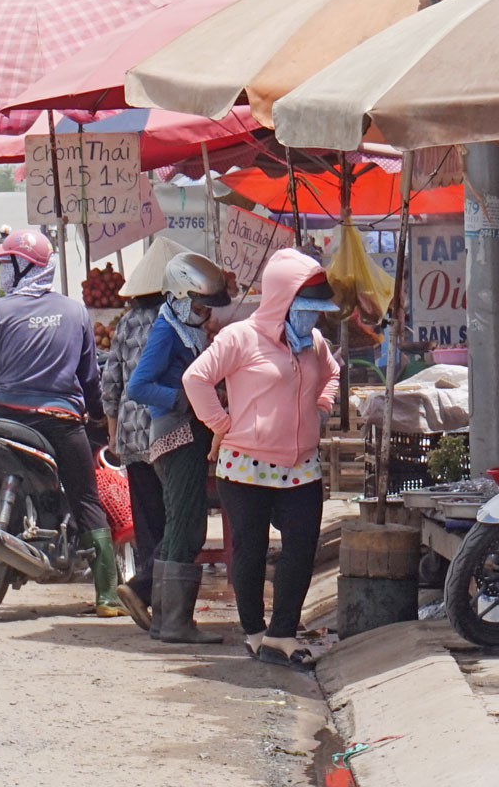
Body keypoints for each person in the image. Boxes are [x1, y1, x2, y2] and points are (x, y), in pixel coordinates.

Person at [182, 248, 341, 669]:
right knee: (250, 550)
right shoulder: (240, 337)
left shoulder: (315, 344)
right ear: (282, 301)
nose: (314, 318)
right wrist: (222, 424)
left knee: (302, 548)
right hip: (245, 464)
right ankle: (254, 631)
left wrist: (322, 407)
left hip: (302, 464)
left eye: (318, 309)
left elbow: (332, 374)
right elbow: (195, 378)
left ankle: (283, 634)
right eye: (306, 308)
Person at [0, 229, 123, 617]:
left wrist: (11, 392)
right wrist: (95, 413)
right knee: (86, 498)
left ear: (25, 266)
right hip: (60, 420)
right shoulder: (75, 311)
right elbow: (89, 375)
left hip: (5, 416)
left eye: (4, 263)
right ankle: (107, 596)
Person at [127, 252, 232, 644]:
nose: (205, 314)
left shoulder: (185, 331)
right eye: (201, 306)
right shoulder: (166, 332)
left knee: (182, 525)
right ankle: (174, 622)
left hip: (185, 434)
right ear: (179, 299)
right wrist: (184, 399)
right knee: (186, 528)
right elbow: (138, 386)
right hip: (177, 434)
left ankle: (165, 621)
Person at [103, 238, 189, 631]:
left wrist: (114, 435)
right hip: (168, 429)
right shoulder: (177, 320)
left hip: (133, 436)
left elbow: (111, 384)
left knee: (150, 522)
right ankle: (145, 588)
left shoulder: (127, 321)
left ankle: (153, 600)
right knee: (179, 520)